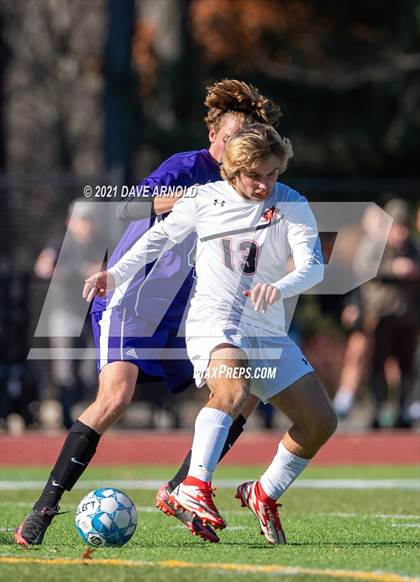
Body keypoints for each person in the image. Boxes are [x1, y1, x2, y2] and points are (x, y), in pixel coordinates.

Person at [15, 80, 281, 546]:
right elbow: (123, 206)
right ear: (215, 137)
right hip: (133, 302)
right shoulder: (187, 168)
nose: (239, 147)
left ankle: (181, 489)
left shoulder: (250, 187)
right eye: (233, 137)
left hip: (187, 313)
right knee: (115, 398)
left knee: (247, 390)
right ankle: (44, 507)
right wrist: (194, 200)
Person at [82, 124, 336, 545]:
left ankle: (264, 492)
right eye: (256, 175)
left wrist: (283, 285)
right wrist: (115, 272)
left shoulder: (291, 203)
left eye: (273, 173)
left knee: (320, 422)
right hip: (213, 320)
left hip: (264, 325)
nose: (265, 184)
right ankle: (194, 485)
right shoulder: (205, 199)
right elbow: (157, 239)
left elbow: (314, 266)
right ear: (233, 171)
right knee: (233, 387)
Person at [357, 199, 420, 428]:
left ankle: (402, 409)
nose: (401, 232)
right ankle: (376, 409)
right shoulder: (375, 244)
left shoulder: (413, 246)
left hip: (407, 316)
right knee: (377, 365)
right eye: (397, 226)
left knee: (406, 366)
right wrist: (393, 269)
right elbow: (362, 269)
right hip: (381, 315)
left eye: (404, 226)